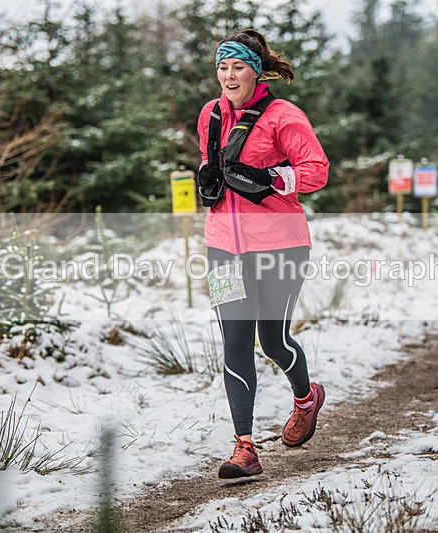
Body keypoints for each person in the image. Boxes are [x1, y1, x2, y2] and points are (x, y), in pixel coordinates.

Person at [195, 29, 329, 479]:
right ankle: (245, 447)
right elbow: (215, 170)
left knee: (272, 339)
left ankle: (306, 397)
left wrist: (272, 179)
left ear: (255, 70)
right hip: (223, 247)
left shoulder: (283, 115)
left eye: (238, 67)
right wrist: (207, 182)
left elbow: (316, 171)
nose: (229, 75)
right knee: (235, 340)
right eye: (222, 67)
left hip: (281, 244)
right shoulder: (210, 115)